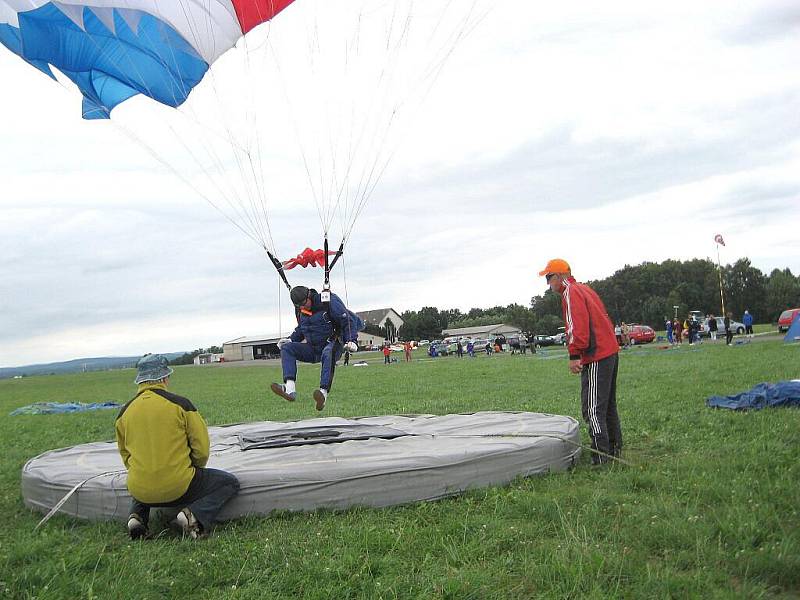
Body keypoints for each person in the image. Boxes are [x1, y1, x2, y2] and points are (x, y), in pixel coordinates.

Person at [116, 354, 240, 540]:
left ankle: (137, 517)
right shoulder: (181, 405)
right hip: (179, 486)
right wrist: (194, 468)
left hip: (140, 490)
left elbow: (126, 456)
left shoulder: (124, 413)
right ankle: (191, 516)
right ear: (165, 378)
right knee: (229, 482)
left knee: (141, 478)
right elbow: (201, 449)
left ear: (140, 381)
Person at [539, 258, 621, 465]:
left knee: (593, 409)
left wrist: (575, 355)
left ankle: (602, 456)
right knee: (607, 405)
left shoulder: (570, 293)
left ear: (559, 276)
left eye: (549, 278)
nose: (548, 284)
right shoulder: (585, 289)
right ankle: (614, 448)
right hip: (609, 352)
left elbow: (576, 325)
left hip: (597, 355)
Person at [271, 285, 360, 411]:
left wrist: (352, 340)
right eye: (299, 306)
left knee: (328, 352)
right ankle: (289, 389)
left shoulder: (327, 302)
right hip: (313, 349)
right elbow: (302, 328)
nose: (302, 307)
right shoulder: (300, 310)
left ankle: (322, 394)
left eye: (303, 303)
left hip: (333, 344)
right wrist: (291, 339)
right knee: (287, 348)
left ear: (309, 296)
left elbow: (347, 320)